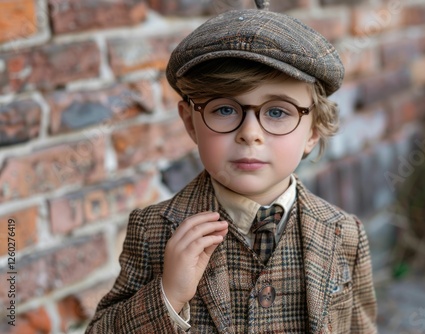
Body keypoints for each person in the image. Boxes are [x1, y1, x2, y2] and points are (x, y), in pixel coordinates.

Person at [86, 3, 377, 333]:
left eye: (278, 112)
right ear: (190, 123)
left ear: (313, 130)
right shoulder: (152, 230)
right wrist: (167, 296)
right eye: (224, 109)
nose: (250, 134)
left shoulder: (345, 233)